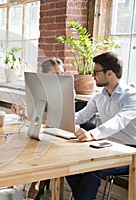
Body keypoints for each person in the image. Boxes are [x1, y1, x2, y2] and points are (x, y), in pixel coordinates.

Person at [66, 52, 136, 200]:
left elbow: (119, 121)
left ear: (109, 73)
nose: (92, 75)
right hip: (107, 147)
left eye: (96, 72)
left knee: (93, 171)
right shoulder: (99, 96)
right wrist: (55, 119)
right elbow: (81, 116)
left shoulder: (131, 96)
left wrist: (91, 134)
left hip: (131, 151)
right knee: (69, 164)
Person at [12, 57, 65, 199]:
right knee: (23, 143)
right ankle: (36, 185)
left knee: (40, 148)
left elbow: (64, 119)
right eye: (56, 74)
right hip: (45, 131)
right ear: (44, 75)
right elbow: (37, 116)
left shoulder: (66, 89)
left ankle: (35, 186)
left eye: (61, 74)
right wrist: (23, 112)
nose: (60, 78)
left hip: (61, 134)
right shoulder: (39, 90)